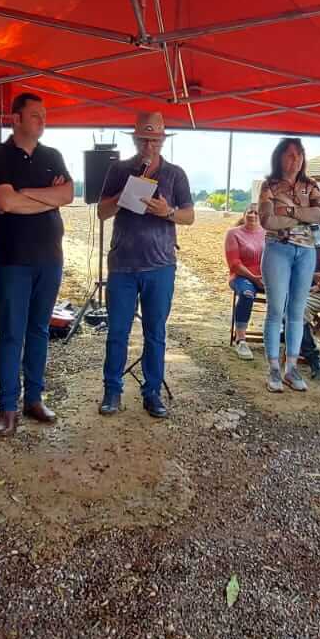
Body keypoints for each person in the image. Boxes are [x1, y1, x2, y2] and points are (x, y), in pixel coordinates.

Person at [0, 90, 72, 438]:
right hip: (12, 260)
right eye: (36, 115)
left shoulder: (53, 155)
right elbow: (5, 202)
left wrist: (27, 194)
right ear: (16, 119)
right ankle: (7, 406)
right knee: (10, 334)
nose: (43, 121)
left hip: (50, 258)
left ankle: (34, 399)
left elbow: (67, 195)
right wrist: (44, 198)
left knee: (38, 331)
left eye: (44, 116)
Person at [97, 112, 194, 417]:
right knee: (117, 332)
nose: (150, 145)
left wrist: (167, 211)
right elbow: (101, 213)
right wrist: (124, 194)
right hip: (123, 265)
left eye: (155, 140)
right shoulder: (118, 169)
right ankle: (112, 391)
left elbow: (189, 216)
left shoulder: (176, 174)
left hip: (160, 265)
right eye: (144, 139)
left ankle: (151, 392)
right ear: (135, 139)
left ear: (163, 140)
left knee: (155, 332)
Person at [259, 139, 320, 392]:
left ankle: (292, 367)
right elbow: (267, 220)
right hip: (278, 250)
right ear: (279, 158)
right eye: (289, 155)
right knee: (276, 308)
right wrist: (302, 215)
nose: (294, 160)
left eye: (299, 155)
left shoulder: (311, 185)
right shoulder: (270, 185)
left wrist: (290, 211)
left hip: (306, 252)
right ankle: (274, 367)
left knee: (296, 311)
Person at [225, 205, 265, 361]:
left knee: (287, 294)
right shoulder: (233, 233)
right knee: (247, 294)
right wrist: (254, 278)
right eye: (250, 212)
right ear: (244, 214)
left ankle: (282, 335)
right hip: (241, 276)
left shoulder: (267, 234)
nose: (253, 215)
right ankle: (241, 339)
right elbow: (234, 263)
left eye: (257, 212)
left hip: (265, 278)